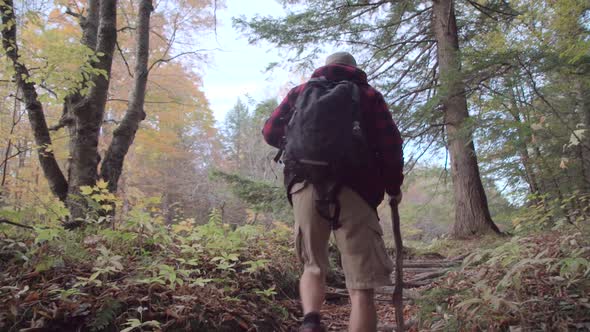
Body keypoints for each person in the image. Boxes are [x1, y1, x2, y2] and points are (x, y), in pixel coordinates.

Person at [262, 52, 404, 332]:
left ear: (325, 67)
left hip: (305, 183)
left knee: (312, 265)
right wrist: (393, 188)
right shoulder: (368, 95)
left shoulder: (301, 92)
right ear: (354, 68)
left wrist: (296, 145)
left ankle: (311, 321)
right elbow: (390, 146)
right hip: (356, 188)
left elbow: (269, 132)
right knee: (361, 285)